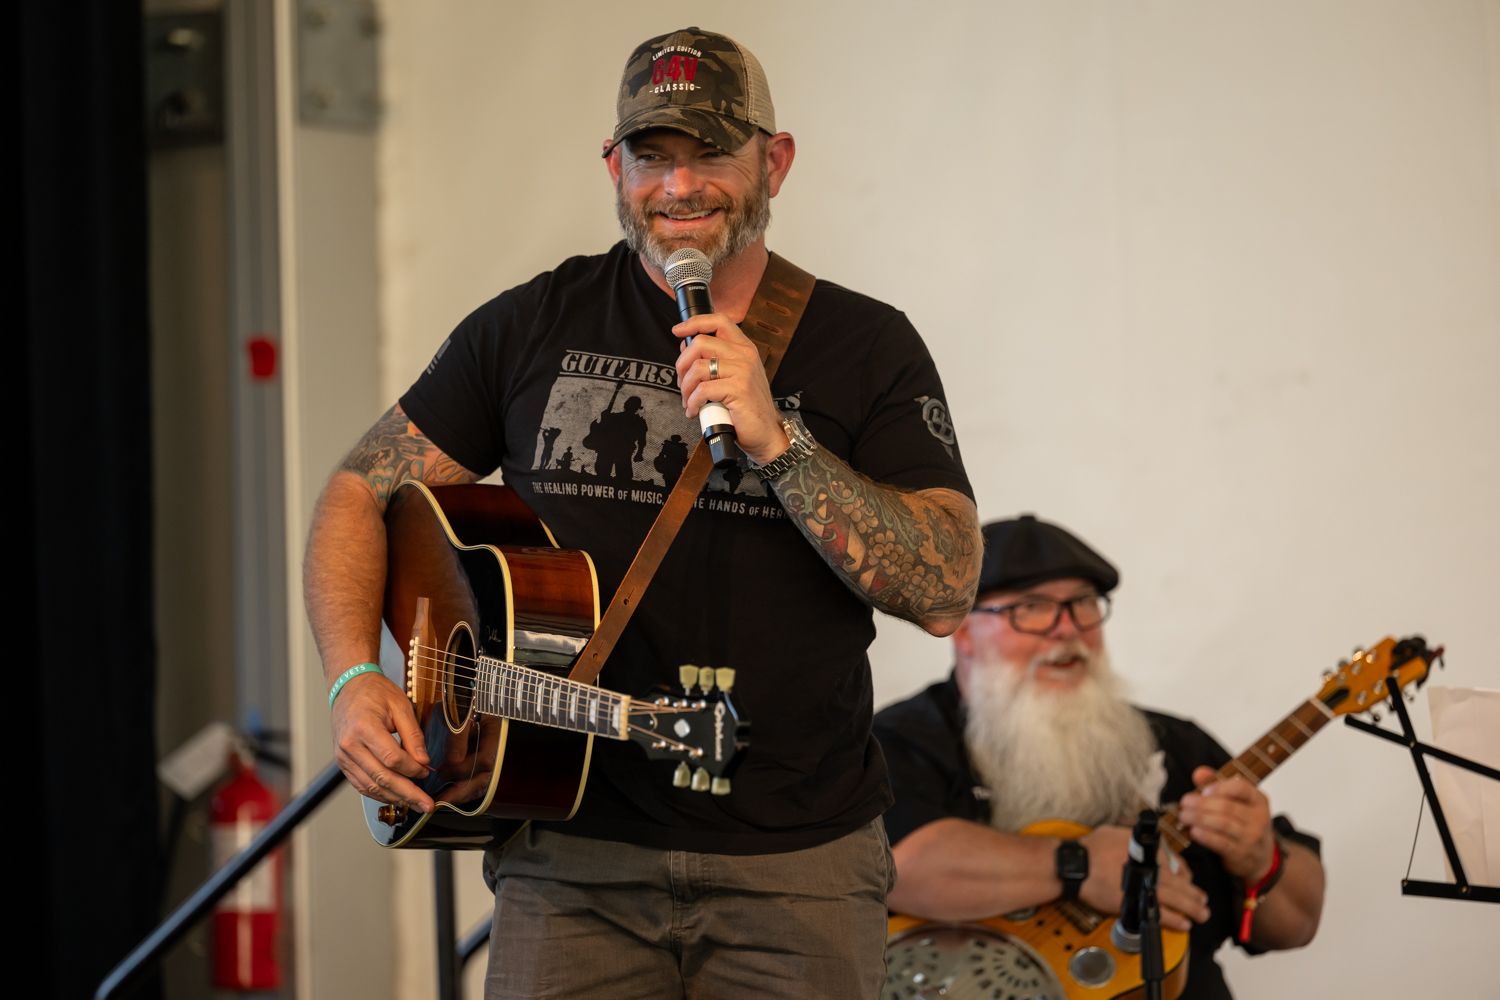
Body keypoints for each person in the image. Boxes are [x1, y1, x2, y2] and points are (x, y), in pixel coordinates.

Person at [302, 26, 981, 1000]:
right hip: (567, 861)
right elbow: (356, 493)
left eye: (710, 152)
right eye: (651, 156)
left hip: (797, 875)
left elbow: (948, 586)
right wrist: (353, 675)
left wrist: (780, 444)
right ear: (613, 167)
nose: (678, 188)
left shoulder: (868, 346)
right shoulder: (533, 322)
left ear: (775, 162)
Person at [874, 514, 1325, 999]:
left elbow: (1296, 926)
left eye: (1082, 604)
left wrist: (1261, 858)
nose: (1066, 630)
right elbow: (895, 869)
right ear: (962, 630)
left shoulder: (1175, 744)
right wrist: (1078, 866)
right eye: (1032, 608)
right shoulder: (901, 740)